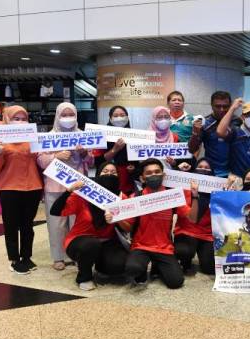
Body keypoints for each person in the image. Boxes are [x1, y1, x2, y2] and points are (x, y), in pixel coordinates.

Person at [120, 158, 198, 288]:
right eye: (149, 173)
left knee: (176, 282)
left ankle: (158, 267)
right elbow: (128, 228)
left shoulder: (172, 196)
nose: (154, 175)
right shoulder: (135, 197)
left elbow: (192, 218)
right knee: (133, 269)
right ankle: (142, 271)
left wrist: (194, 196)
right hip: (140, 246)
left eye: (157, 172)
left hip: (164, 247)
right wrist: (117, 219)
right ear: (142, 178)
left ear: (163, 175)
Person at [50, 162, 128, 290]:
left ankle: (100, 265)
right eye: (105, 171)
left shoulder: (121, 197)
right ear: (98, 174)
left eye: (113, 172)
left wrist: (117, 219)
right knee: (91, 244)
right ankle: (84, 277)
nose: (109, 175)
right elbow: (55, 211)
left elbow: (128, 226)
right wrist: (69, 190)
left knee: (120, 265)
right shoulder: (83, 195)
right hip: (80, 240)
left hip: (107, 242)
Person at [37, 102, 93, 271]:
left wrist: (84, 153)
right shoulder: (48, 136)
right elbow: (40, 161)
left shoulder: (82, 135)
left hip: (78, 185)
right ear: (57, 116)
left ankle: (77, 255)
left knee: (78, 222)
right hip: (55, 185)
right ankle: (58, 257)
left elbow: (91, 161)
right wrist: (56, 156)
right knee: (56, 223)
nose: (68, 118)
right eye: (64, 115)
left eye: (71, 115)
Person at [0, 106, 43, 274]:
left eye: (23, 118)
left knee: (28, 226)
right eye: (16, 118)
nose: (20, 122)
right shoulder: (0, 141)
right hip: (9, 189)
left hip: (33, 187)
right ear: (7, 120)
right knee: (11, 226)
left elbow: (40, 161)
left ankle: (26, 257)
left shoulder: (33, 139)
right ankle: (14, 259)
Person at [174, 158, 215, 275]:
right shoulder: (183, 189)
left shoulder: (217, 192)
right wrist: (195, 195)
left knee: (210, 269)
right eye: (200, 167)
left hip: (207, 234)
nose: (203, 170)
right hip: (186, 230)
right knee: (183, 252)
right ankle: (185, 261)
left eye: (207, 168)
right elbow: (189, 217)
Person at [188, 91, 237, 177]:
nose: (222, 109)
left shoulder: (237, 121)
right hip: (211, 172)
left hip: (234, 172)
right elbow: (192, 149)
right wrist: (195, 133)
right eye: (218, 106)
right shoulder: (205, 123)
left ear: (230, 106)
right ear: (211, 105)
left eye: (225, 106)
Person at [216, 98, 250, 177]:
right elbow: (220, 131)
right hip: (237, 179)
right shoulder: (235, 132)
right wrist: (232, 108)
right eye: (249, 115)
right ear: (242, 117)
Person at [99, 105, 137, 195]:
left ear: (127, 117)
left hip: (127, 181)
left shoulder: (135, 135)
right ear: (110, 118)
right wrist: (115, 149)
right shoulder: (102, 136)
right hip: (107, 179)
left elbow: (137, 161)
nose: (119, 118)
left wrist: (133, 168)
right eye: (115, 116)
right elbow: (98, 161)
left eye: (122, 115)